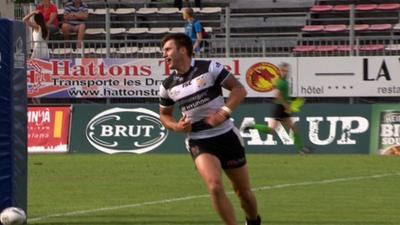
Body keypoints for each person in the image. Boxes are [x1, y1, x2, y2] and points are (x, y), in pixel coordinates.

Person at [159, 33, 261, 225]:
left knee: (243, 193)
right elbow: (164, 116)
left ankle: (254, 221)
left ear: (182, 50)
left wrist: (222, 113)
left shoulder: (210, 67)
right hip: (199, 139)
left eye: (167, 49)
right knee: (214, 186)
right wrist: (176, 126)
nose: (164, 54)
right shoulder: (167, 86)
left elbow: (239, 90)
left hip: (226, 135)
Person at [241, 62, 311, 155]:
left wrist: (289, 103)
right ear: (280, 71)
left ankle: (301, 149)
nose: (286, 72)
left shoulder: (284, 82)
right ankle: (252, 126)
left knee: (293, 128)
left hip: (283, 107)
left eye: (287, 71)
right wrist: (287, 106)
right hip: (279, 108)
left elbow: (283, 96)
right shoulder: (280, 82)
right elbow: (277, 95)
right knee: (272, 130)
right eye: (284, 71)